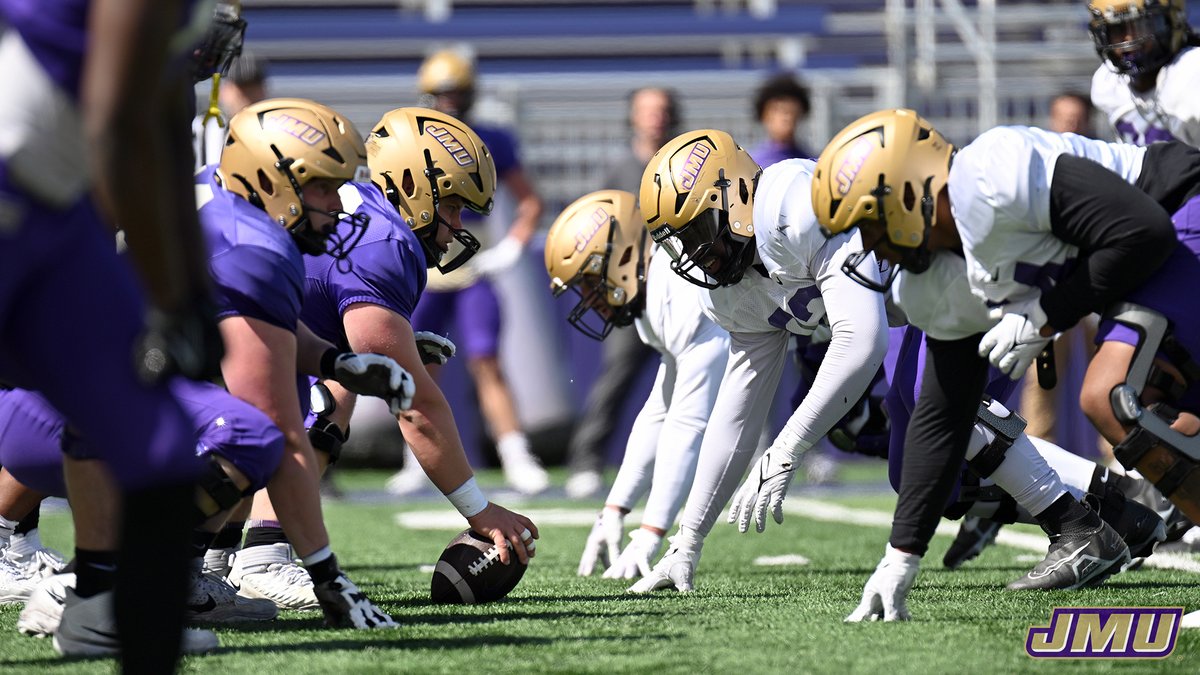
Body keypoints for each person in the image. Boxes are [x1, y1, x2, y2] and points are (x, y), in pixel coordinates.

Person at [810, 108, 1200, 619]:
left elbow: (1141, 232)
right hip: (1145, 266)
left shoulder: (993, 173)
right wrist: (900, 558)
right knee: (1167, 412)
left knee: (1113, 396)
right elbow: (943, 416)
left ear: (908, 193)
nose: (867, 244)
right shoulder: (931, 283)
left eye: (868, 223)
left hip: (1180, 214)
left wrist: (1045, 315)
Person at [0, 0, 236, 666]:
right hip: (22, 180)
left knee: (160, 449)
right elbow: (115, 129)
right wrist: (167, 297)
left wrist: (190, 296)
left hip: (53, 208)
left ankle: (103, 610)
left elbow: (163, 132)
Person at [626, 129, 890, 593]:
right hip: (902, 326)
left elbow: (863, 338)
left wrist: (787, 448)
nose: (696, 254)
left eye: (698, 232)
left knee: (937, 431)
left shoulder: (792, 204)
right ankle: (1059, 519)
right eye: (681, 243)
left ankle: (1063, 517)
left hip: (955, 298)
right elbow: (737, 414)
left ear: (738, 192)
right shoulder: (731, 292)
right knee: (914, 454)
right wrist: (688, 542)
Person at [199, 97, 412, 629]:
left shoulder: (226, 200)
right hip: (61, 414)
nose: (339, 207)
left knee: (277, 402)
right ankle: (111, 579)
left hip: (74, 391)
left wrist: (336, 360)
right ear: (270, 180)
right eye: (322, 186)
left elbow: (262, 322)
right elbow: (277, 428)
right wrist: (326, 574)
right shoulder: (254, 245)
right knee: (259, 429)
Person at [298, 106, 538, 570]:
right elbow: (416, 405)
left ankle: (241, 553)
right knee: (272, 421)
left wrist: (387, 348)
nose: (459, 225)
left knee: (323, 397)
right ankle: (241, 557)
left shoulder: (364, 209)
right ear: (410, 186)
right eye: (451, 205)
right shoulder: (387, 244)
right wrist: (479, 510)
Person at [545, 190, 728, 578]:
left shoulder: (676, 287)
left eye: (590, 281)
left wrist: (650, 533)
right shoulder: (655, 291)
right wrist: (616, 508)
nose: (591, 300)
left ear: (623, 255)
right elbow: (660, 411)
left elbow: (689, 423)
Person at [563, 87, 679, 499]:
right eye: (648, 110)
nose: (656, 118)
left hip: (686, 292)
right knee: (616, 378)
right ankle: (586, 462)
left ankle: (743, 457)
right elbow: (592, 226)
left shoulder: (684, 164)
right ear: (633, 116)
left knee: (715, 376)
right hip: (635, 294)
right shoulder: (618, 169)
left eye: (662, 110)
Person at [1088, 0, 1200, 146]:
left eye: (1142, 25)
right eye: (1118, 29)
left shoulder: (1191, 70)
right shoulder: (1107, 83)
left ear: (1172, 21)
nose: (1128, 39)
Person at [749, 73, 813, 167]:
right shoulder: (752, 165)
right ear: (764, 115)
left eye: (790, 111)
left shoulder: (811, 164)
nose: (786, 117)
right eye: (777, 110)